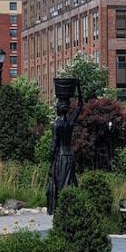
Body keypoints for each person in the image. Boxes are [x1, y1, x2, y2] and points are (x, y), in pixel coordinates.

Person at [46, 80, 84, 215]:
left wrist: (50, 163)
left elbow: (54, 145)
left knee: (60, 184)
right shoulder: (70, 122)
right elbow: (80, 105)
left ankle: (60, 209)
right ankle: (69, 208)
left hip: (60, 158)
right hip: (70, 157)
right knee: (69, 182)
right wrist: (78, 87)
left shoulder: (57, 125)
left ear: (57, 108)